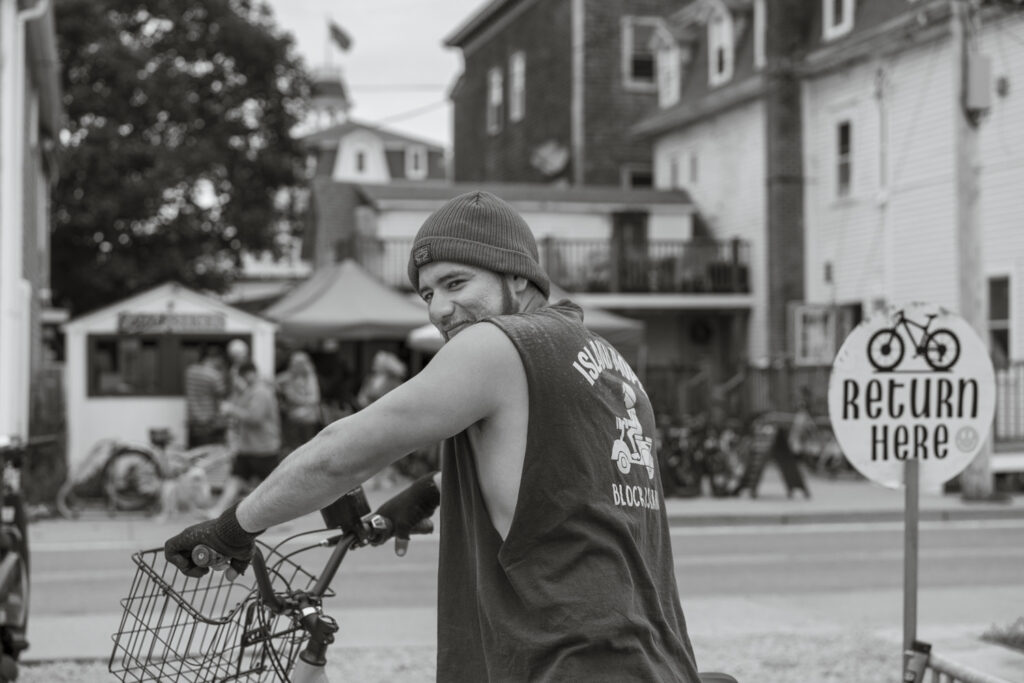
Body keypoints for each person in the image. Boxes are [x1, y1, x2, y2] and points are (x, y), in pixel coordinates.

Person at [165, 191, 702, 681]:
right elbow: (563, 477)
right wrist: (431, 491)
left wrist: (235, 526)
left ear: (517, 276)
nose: (439, 308)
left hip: (569, 662)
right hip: (652, 656)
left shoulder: (499, 345)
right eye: (426, 293)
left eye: (456, 283)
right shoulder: (605, 362)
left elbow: (342, 455)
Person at [207, 361, 282, 518]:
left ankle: (282, 516)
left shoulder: (260, 392)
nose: (239, 380)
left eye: (240, 376)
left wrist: (231, 410)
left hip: (263, 448)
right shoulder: (250, 391)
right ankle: (218, 509)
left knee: (272, 486)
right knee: (236, 478)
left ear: (249, 374)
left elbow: (255, 418)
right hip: (249, 447)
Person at [275, 351, 322, 451]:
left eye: (300, 363)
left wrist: (294, 397)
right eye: (294, 363)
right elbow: (274, 382)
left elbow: (314, 399)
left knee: (307, 448)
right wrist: (283, 394)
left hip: (308, 418)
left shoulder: (310, 376)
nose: (297, 366)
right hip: (293, 418)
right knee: (294, 448)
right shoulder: (289, 376)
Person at [183, 346, 227, 448]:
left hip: (192, 421)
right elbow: (221, 396)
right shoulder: (214, 375)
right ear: (215, 358)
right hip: (208, 423)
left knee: (194, 455)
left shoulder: (190, 371)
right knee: (207, 457)